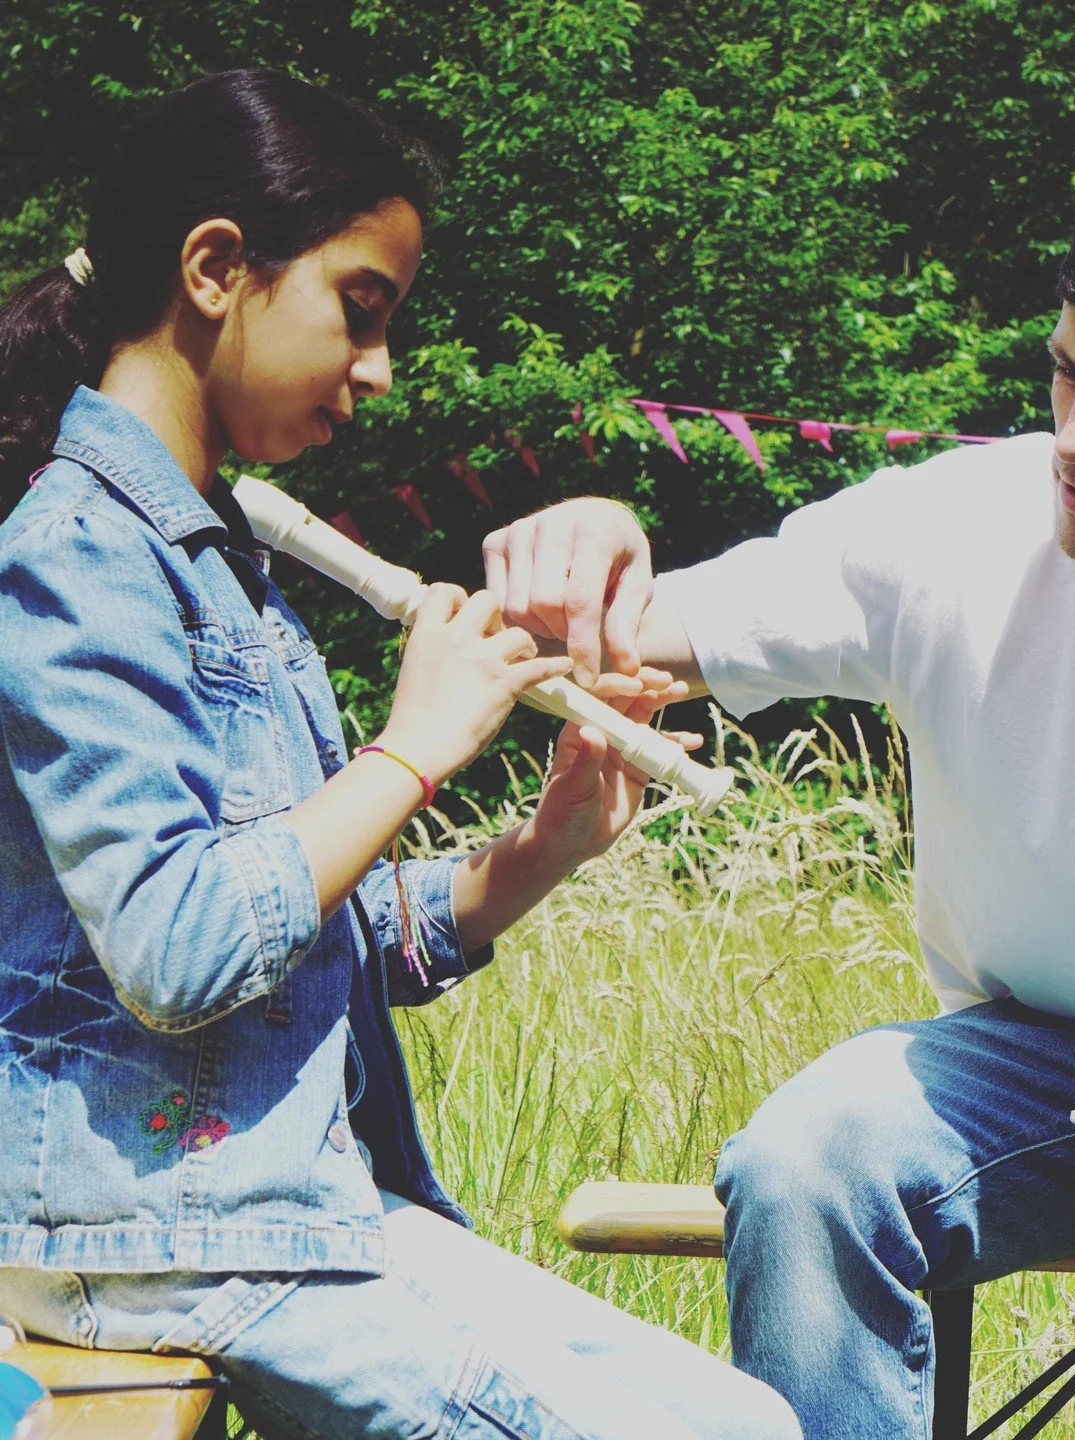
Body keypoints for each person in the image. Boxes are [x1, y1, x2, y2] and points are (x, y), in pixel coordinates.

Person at [483, 129, 1075, 1439]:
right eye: (1065, 373)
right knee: (804, 1165)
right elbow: (594, 634)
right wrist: (595, 539)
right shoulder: (949, 531)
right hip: (1029, 1060)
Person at [0, 69, 799, 1440]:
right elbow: (181, 948)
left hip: (276, 1211)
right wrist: (416, 745)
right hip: (149, 1244)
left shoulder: (223, 567)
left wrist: (537, 855)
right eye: (360, 313)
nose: (379, 371)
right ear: (215, 268)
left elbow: (311, 938)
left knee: (752, 1424)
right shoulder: (71, 564)